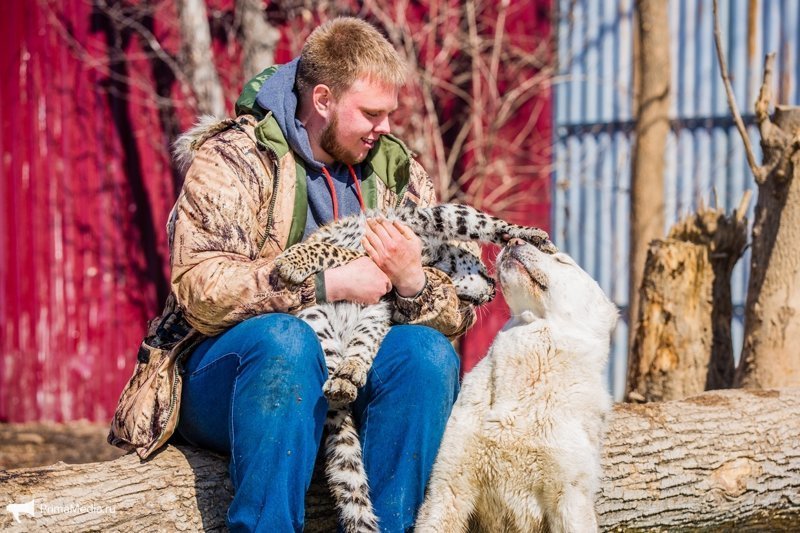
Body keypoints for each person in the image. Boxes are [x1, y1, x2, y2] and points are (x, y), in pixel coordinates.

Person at [113, 16, 477, 532]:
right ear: (323, 99)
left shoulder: (397, 173)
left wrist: (414, 282)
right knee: (287, 342)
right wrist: (323, 285)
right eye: (372, 114)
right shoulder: (237, 157)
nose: (386, 128)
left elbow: (461, 302)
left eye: (389, 114)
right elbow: (200, 287)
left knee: (427, 355)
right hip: (232, 373)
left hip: (348, 371)